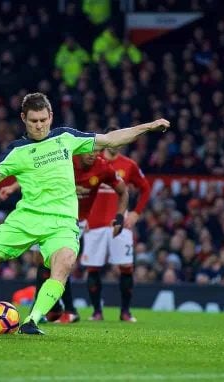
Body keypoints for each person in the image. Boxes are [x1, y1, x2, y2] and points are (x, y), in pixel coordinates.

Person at [0, 92, 168, 335]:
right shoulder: (16, 151)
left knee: (64, 263)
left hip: (63, 224)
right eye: (34, 121)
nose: (39, 126)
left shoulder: (66, 137)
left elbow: (111, 139)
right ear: (24, 118)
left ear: (51, 116)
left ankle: (32, 320)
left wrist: (149, 126)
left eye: (43, 120)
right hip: (27, 219)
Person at [0, 151, 128, 323]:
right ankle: (60, 309)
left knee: (56, 260)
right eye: (89, 151)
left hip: (76, 220)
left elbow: (123, 191)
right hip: (49, 213)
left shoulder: (103, 167)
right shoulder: (65, 160)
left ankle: (53, 309)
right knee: (41, 260)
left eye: (96, 151)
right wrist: (13, 187)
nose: (93, 155)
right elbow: (38, 171)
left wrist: (119, 217)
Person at [81, 125, 152, 322]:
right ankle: (97, 312)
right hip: (93, 225)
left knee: (126, 267)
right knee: (93, 268)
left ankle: (126, 312)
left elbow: (145, 189)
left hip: (119, 224)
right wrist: (82, 217)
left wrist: (136, 214)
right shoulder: (92, 161)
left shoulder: (128, 165)